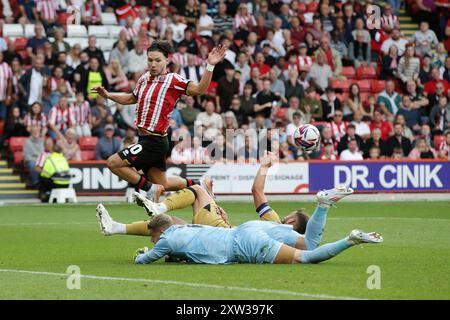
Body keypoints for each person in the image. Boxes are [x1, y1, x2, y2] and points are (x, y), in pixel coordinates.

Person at [91, 40, 227, 193]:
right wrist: (108, 95)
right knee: (165, 183)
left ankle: (150, 189)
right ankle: (200, 184)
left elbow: (200, 89)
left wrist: (210, 65)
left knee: (113, 163)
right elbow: (131, 98)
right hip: (145, 138)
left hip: (155, 140)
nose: (153, 64)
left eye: (157, 60)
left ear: (166, 61)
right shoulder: (144, 78)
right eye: (150, 60)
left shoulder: (173, 80)